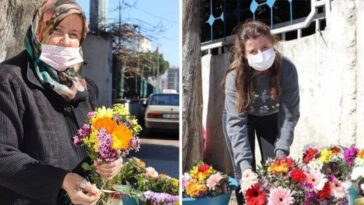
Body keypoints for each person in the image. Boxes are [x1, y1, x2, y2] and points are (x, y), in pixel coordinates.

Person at [0, 0, 123, 204]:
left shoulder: (85, 88)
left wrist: (110, 159)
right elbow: (3, 154)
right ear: (39, 30)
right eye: (57, 30)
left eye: (74, 34)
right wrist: (61, 180)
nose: (66, 41)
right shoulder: (9, 80)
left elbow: (97, 143)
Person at [222, 20, 300, 205]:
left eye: (265, 47)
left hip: (272, 118)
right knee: (246, 175)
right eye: (253, 51)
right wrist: (245, 166)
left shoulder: (287, 69)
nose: (261, 55)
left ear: (272, 42)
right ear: (244, 53)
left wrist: (281, 152)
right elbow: (236, 122)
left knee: (275, 172)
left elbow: (289, 115)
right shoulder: (235, 76)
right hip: (242, 120)